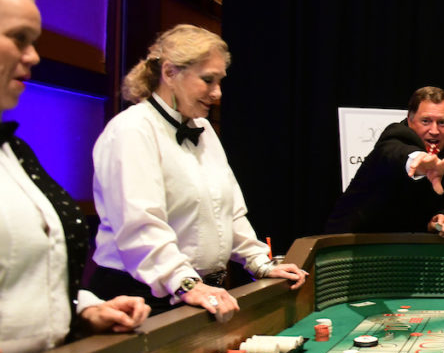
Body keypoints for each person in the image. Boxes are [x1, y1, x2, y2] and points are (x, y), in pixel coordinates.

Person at [90, 25, 306, 320]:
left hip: (197, 291)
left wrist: (260, 262)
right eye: (207, 80)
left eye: (220, 81)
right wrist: (185, 283)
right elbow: (141, 227)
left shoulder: (202, 129)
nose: (217, 93)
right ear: (169, 72)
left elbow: (229, 211)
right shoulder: (130, 131)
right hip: (138, 298)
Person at [0, 0, 149, 353]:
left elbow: (28, 277)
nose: (33, 56)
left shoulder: (15, 152)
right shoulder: (130, 130)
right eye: (18, 39)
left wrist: (83, 308)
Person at [325, 86, 444, 235]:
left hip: (402, 242)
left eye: (442, 123)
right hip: (352, 239)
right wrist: (418, 161)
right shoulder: (396, 135)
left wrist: (442, 216)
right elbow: (395, 153)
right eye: (425, 121)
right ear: (410, 120)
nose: (434, 131)